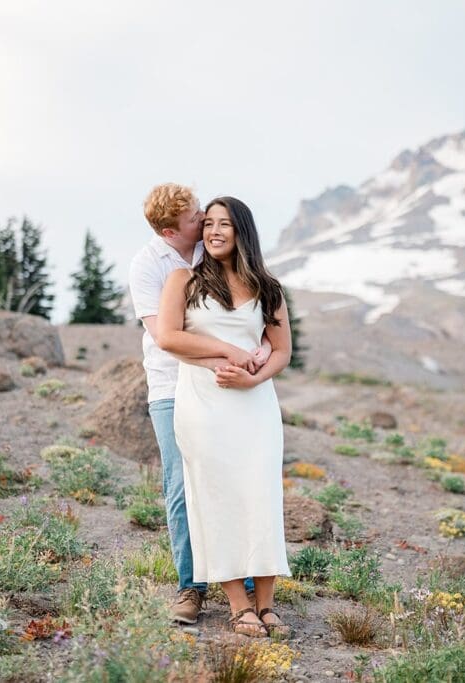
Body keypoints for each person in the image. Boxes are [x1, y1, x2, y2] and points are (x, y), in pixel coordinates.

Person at [128, 184, 269, 625]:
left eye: (205, 213)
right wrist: (230, 356)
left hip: (231, 388)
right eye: (196, 218)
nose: (205, 218)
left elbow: (256, 323)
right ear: (173, 231)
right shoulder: (151, 266)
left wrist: (255, 358)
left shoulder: (222, 257)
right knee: (181, 486)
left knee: (234, 480)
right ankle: (191, 586)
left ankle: (244, 581)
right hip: (174, 387)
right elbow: (164, 337)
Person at [156, 196, 293, 638]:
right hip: (203, 404)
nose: (214, 231)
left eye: (225, 224)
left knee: (261, 496)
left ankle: (268, 604)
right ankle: (239, 606)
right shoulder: (184, 280)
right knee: (215, 499)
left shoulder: (268, 288)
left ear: (242, 231)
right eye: (208, 224)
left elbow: (282, 352)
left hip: (255, 407)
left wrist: (253, 380)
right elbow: (168, 338)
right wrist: (230, 352)